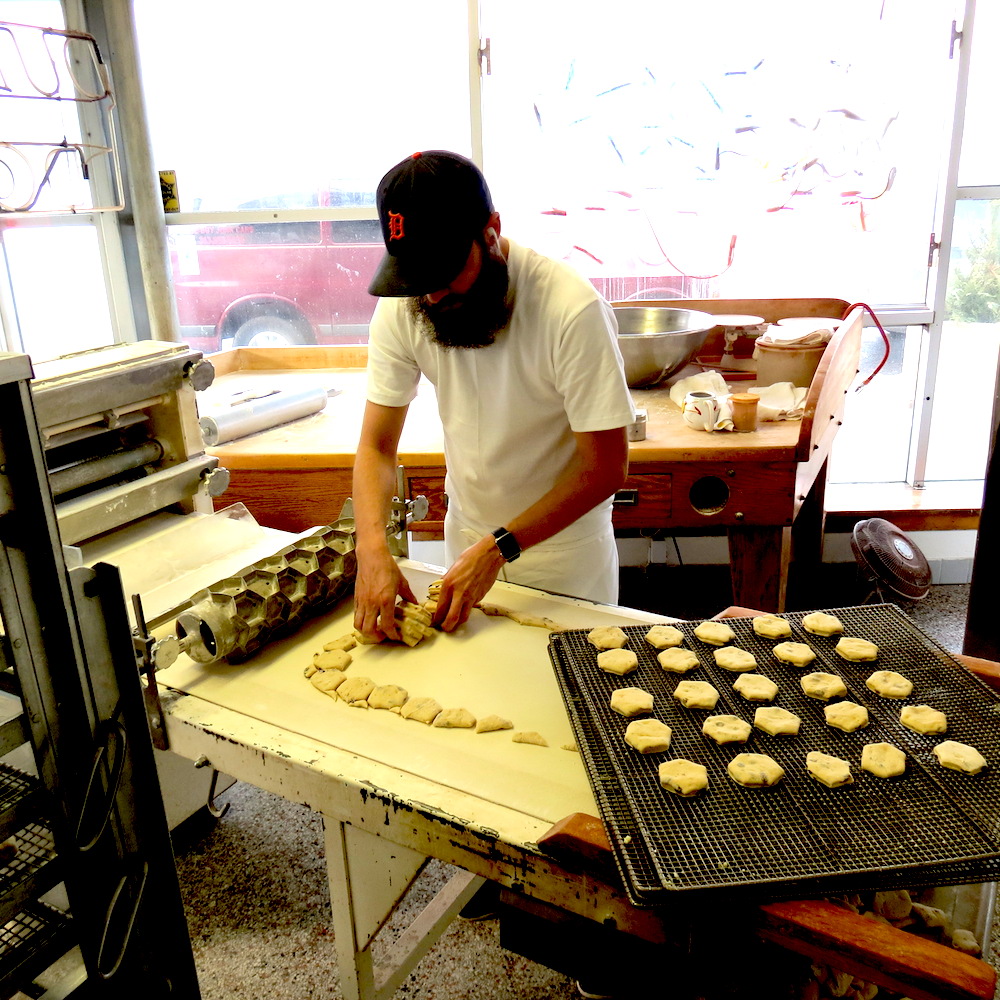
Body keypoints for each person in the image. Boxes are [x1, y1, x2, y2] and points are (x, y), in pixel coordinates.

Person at [352, 149, 635, 643]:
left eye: (444, 272)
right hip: (466, 538)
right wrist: (371, 547)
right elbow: (377, 446)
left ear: (491, 231)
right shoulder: (408, 305)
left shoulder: (569, 309)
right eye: (418, 278)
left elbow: (606, 467)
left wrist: (499, 546)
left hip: (563, 558)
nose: (432, 296)